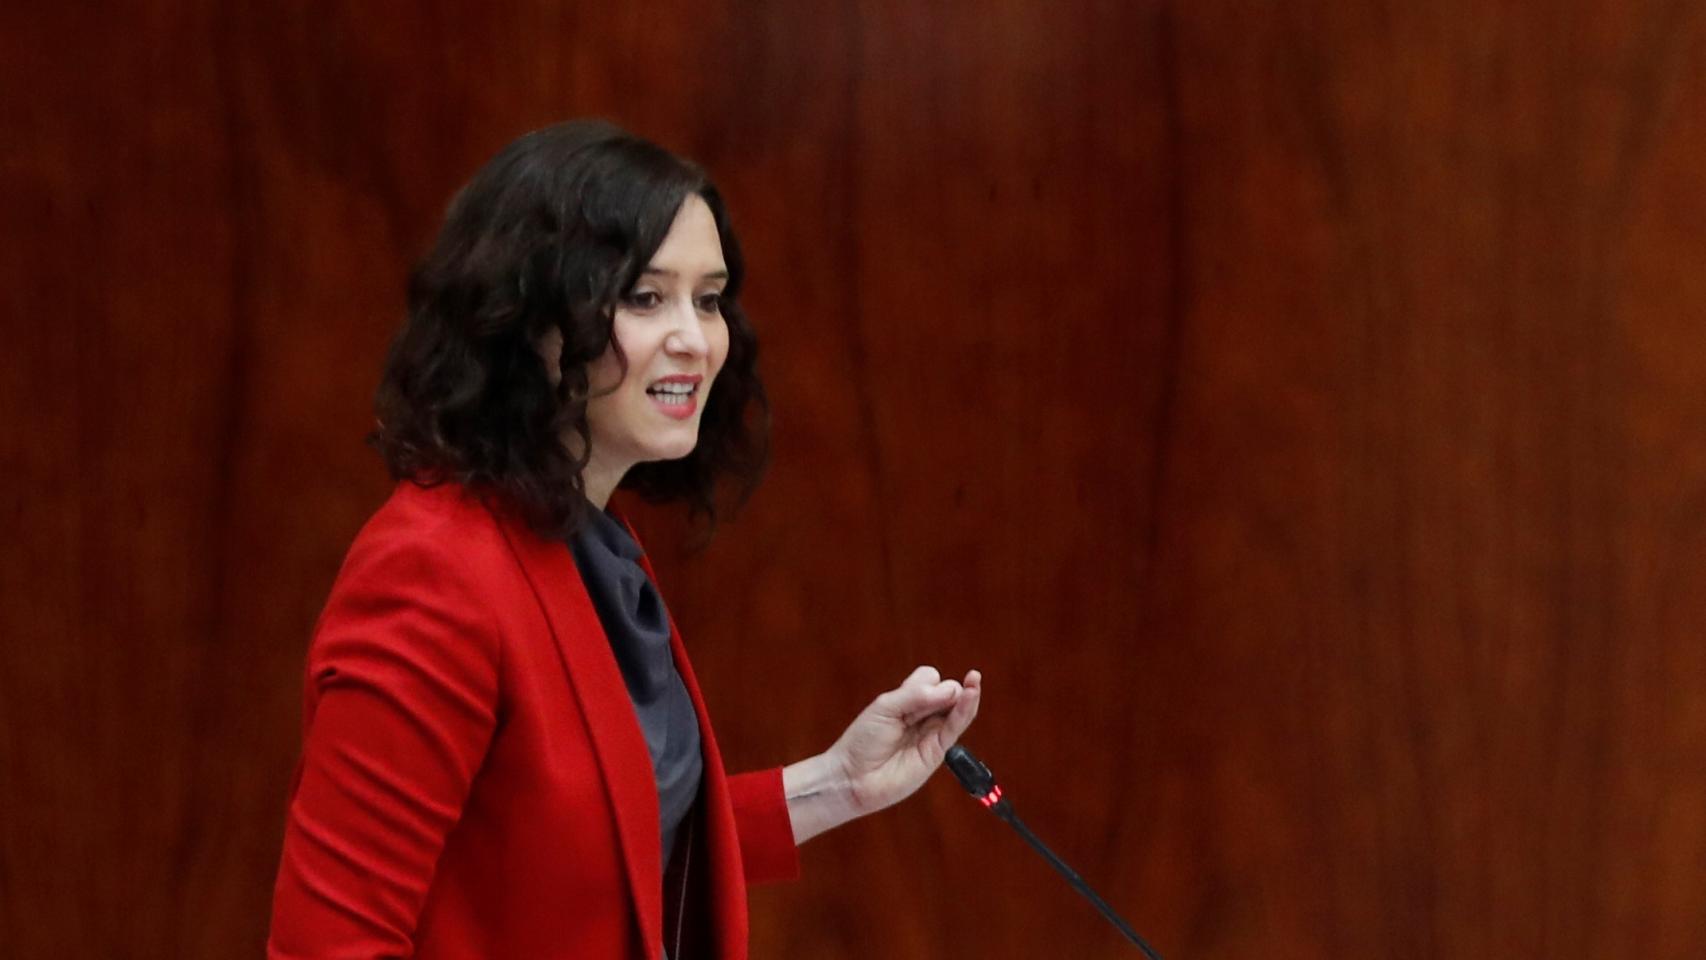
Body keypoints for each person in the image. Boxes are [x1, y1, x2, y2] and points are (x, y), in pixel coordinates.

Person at [267, 120, 982, 960]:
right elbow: (329, 945)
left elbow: (602, 850)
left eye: (709, 298)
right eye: (645, 297)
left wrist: (835, 785)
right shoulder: (434, 568)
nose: (694, 338)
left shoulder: (593, 547)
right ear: (529, 319)